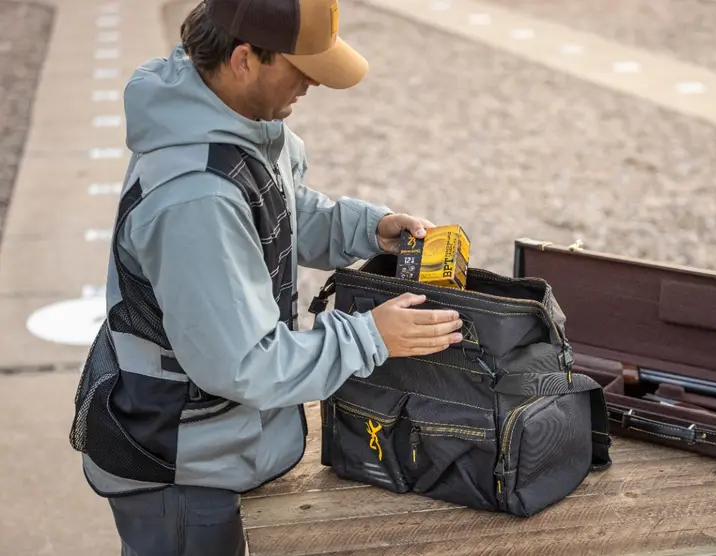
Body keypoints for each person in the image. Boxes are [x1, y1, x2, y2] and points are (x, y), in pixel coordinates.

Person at [67, 0, 464, 554]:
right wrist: (372, 336)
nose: (312, 83)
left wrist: (365, 230)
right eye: (301, 67)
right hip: (180, 465)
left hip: (212, 438)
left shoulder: (225, 111)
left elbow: (273, 209)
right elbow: (246, 363)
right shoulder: (195, 200)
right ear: (245, 59)